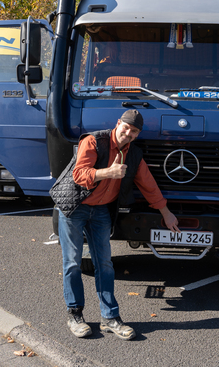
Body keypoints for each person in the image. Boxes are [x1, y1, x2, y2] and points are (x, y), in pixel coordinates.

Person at [50, 109, 180, 340]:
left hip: (101, 210)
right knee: (72, 263)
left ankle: (110, 318)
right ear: (118, 124)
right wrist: (108, 172)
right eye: (126, 128)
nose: (128, 134)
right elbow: (79, 175)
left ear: (138, 134)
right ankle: (75, 314)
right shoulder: (93, 141)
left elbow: (149, 185)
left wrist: (166, 213)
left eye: (134, 132)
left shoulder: (134, 155)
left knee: (105, 264)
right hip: (74, 206)